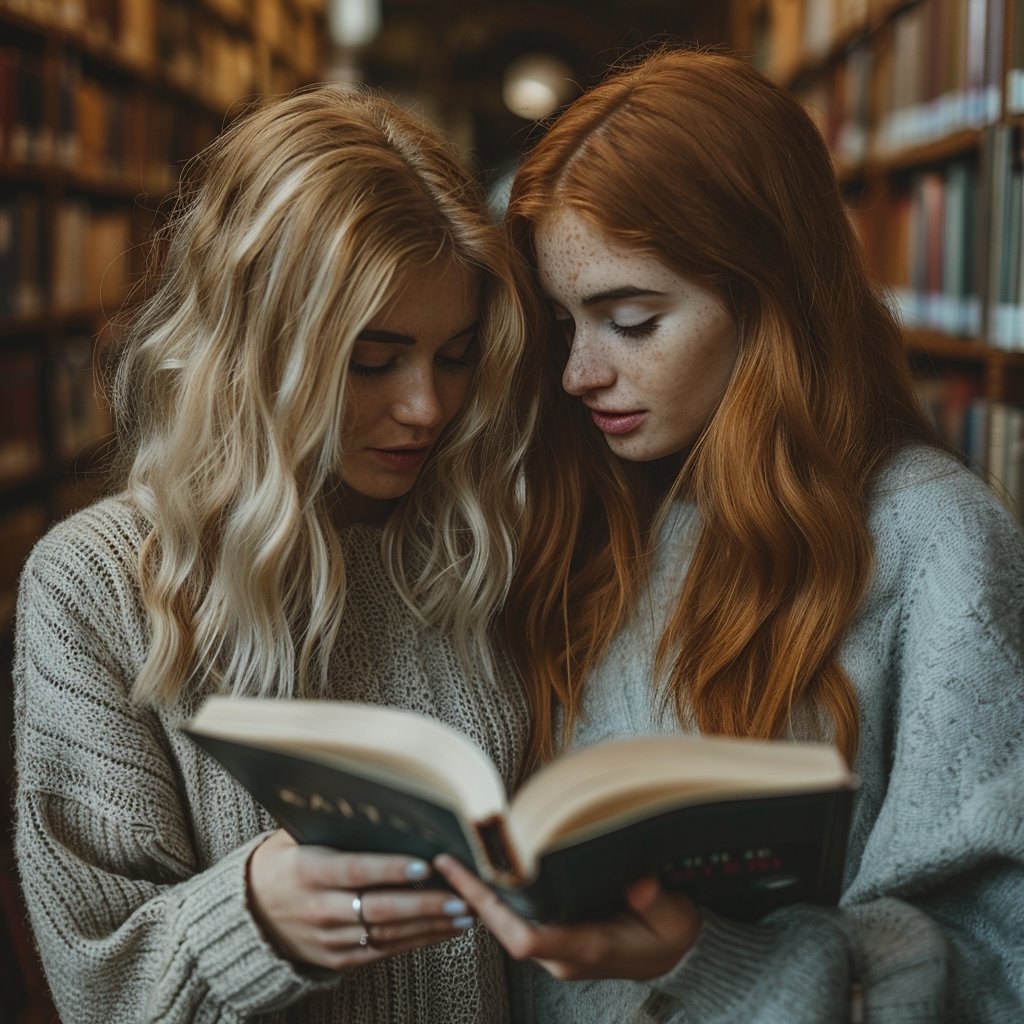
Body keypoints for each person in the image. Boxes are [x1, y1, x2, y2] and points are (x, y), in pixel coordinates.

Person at [434, 47, 1024, 1023]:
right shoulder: (579, 503)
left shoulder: (936, 541)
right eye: (560, 322)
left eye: (630, 319)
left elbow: (998, 976)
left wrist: (710, 956)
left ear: (768, 298)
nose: (580, 371)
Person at [13, 83, 539, 1023]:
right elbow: (96, 982)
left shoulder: (477, 532)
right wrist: (253, 915)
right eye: (371, 362)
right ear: (256, 349)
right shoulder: (97, 586)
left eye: (455, 355)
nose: (426, 406)